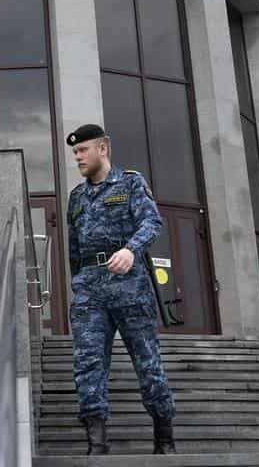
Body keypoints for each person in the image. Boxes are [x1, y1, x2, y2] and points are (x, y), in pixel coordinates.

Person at [65, 123, 176, 455]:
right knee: (87, 364)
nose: (78, 157)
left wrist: (131, 249)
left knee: (147, 363)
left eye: (83, 150)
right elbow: (73, 247)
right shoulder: (77, 197)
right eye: (75, 152)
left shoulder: (130, 183)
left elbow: (152, 221)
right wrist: (78, 281)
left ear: (103, 148)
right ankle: (97, 443)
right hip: (89, 291)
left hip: (130, 287)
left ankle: (164, 437)